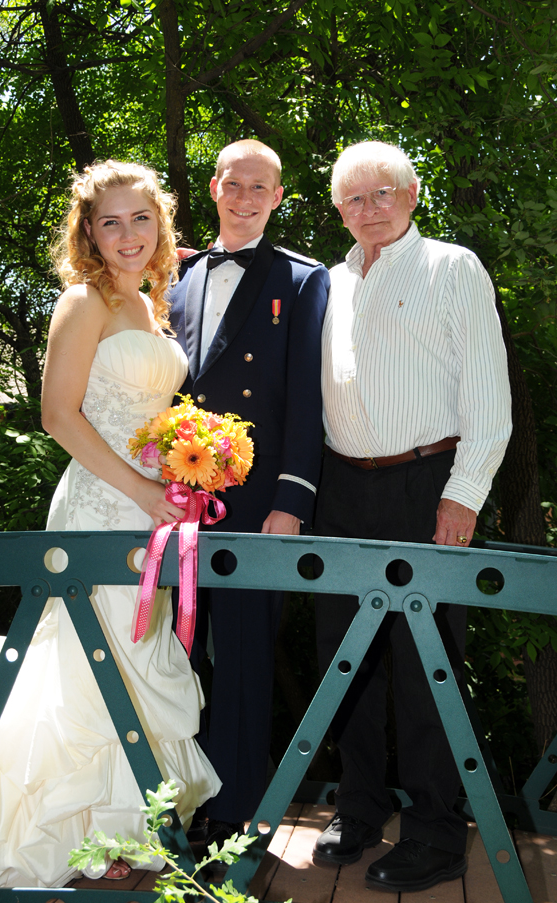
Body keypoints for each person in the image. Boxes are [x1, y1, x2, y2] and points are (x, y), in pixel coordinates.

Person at [0, 160, 221, 888]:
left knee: (132, 654)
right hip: (103, 505)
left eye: (141, 218)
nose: (128, 233)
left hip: (151, 512)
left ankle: (116, 832)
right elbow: (57, 415)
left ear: (161, 224)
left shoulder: (149, 305)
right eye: (111, 221)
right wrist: (141, 486)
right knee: (89, 661)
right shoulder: (85, 300)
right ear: (89, 233)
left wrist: (185, 467)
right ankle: (71, 831)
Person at [312, 141, 512, 893]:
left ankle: (433, 831)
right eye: (353, 199)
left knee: (427, 664)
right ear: (338, 208)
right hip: (340, 490)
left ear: (413, 193)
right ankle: (357, 808)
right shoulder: (327, 282)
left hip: (428, 483)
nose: (369, 209)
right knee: (345, 656)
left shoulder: (453, 267)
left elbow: (489, 398)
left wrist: (462, 494)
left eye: (383, 192)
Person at [168, 139, 330, 847]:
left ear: (278, 197)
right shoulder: (173, 274)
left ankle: (234, 816)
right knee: (173, 652)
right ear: (213, 188)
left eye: (260, 187)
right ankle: (175, 800)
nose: (245, 198)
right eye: (234, 184)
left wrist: (291, 500)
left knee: (241, 654)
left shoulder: (301, 279)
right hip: (173, 501)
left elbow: (305, 396)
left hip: (260, 501)